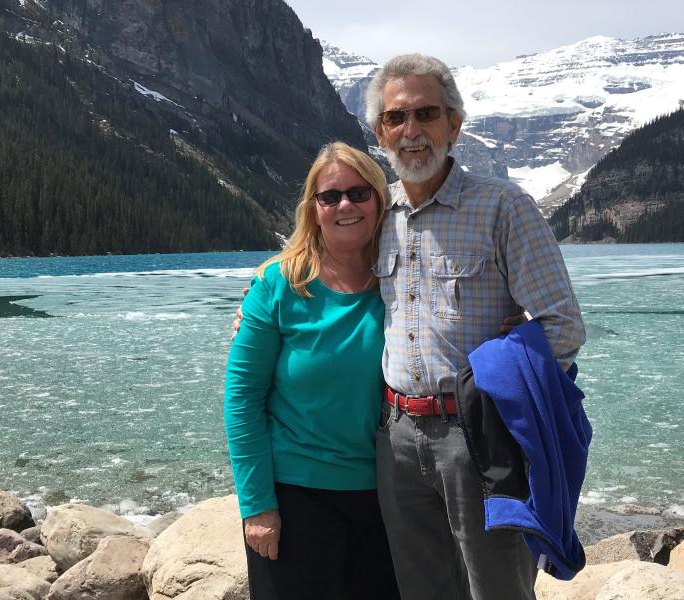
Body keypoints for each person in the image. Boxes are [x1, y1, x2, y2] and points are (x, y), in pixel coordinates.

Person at [365, 54, 586, 600]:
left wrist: (496, 387)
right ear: (379, 131)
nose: (411, 131)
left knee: (498, 589)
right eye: (397, 118)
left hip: (479, 436)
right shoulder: (375, 214)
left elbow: (563, 326)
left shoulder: (503, 207)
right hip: (394, 436)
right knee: (422, 589)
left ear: (454, 124)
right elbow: (321, 273)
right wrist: (257, 295)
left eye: (426, 113)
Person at [224, 142, 399, 600]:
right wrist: (257, 505)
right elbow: (242, 400)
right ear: (313, 208)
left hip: (391, 494)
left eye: (360, 193)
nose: (346, 205)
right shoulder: (278, 284)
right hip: (297, 494)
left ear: (380, 200)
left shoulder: (406, 278)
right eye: (330, 196)